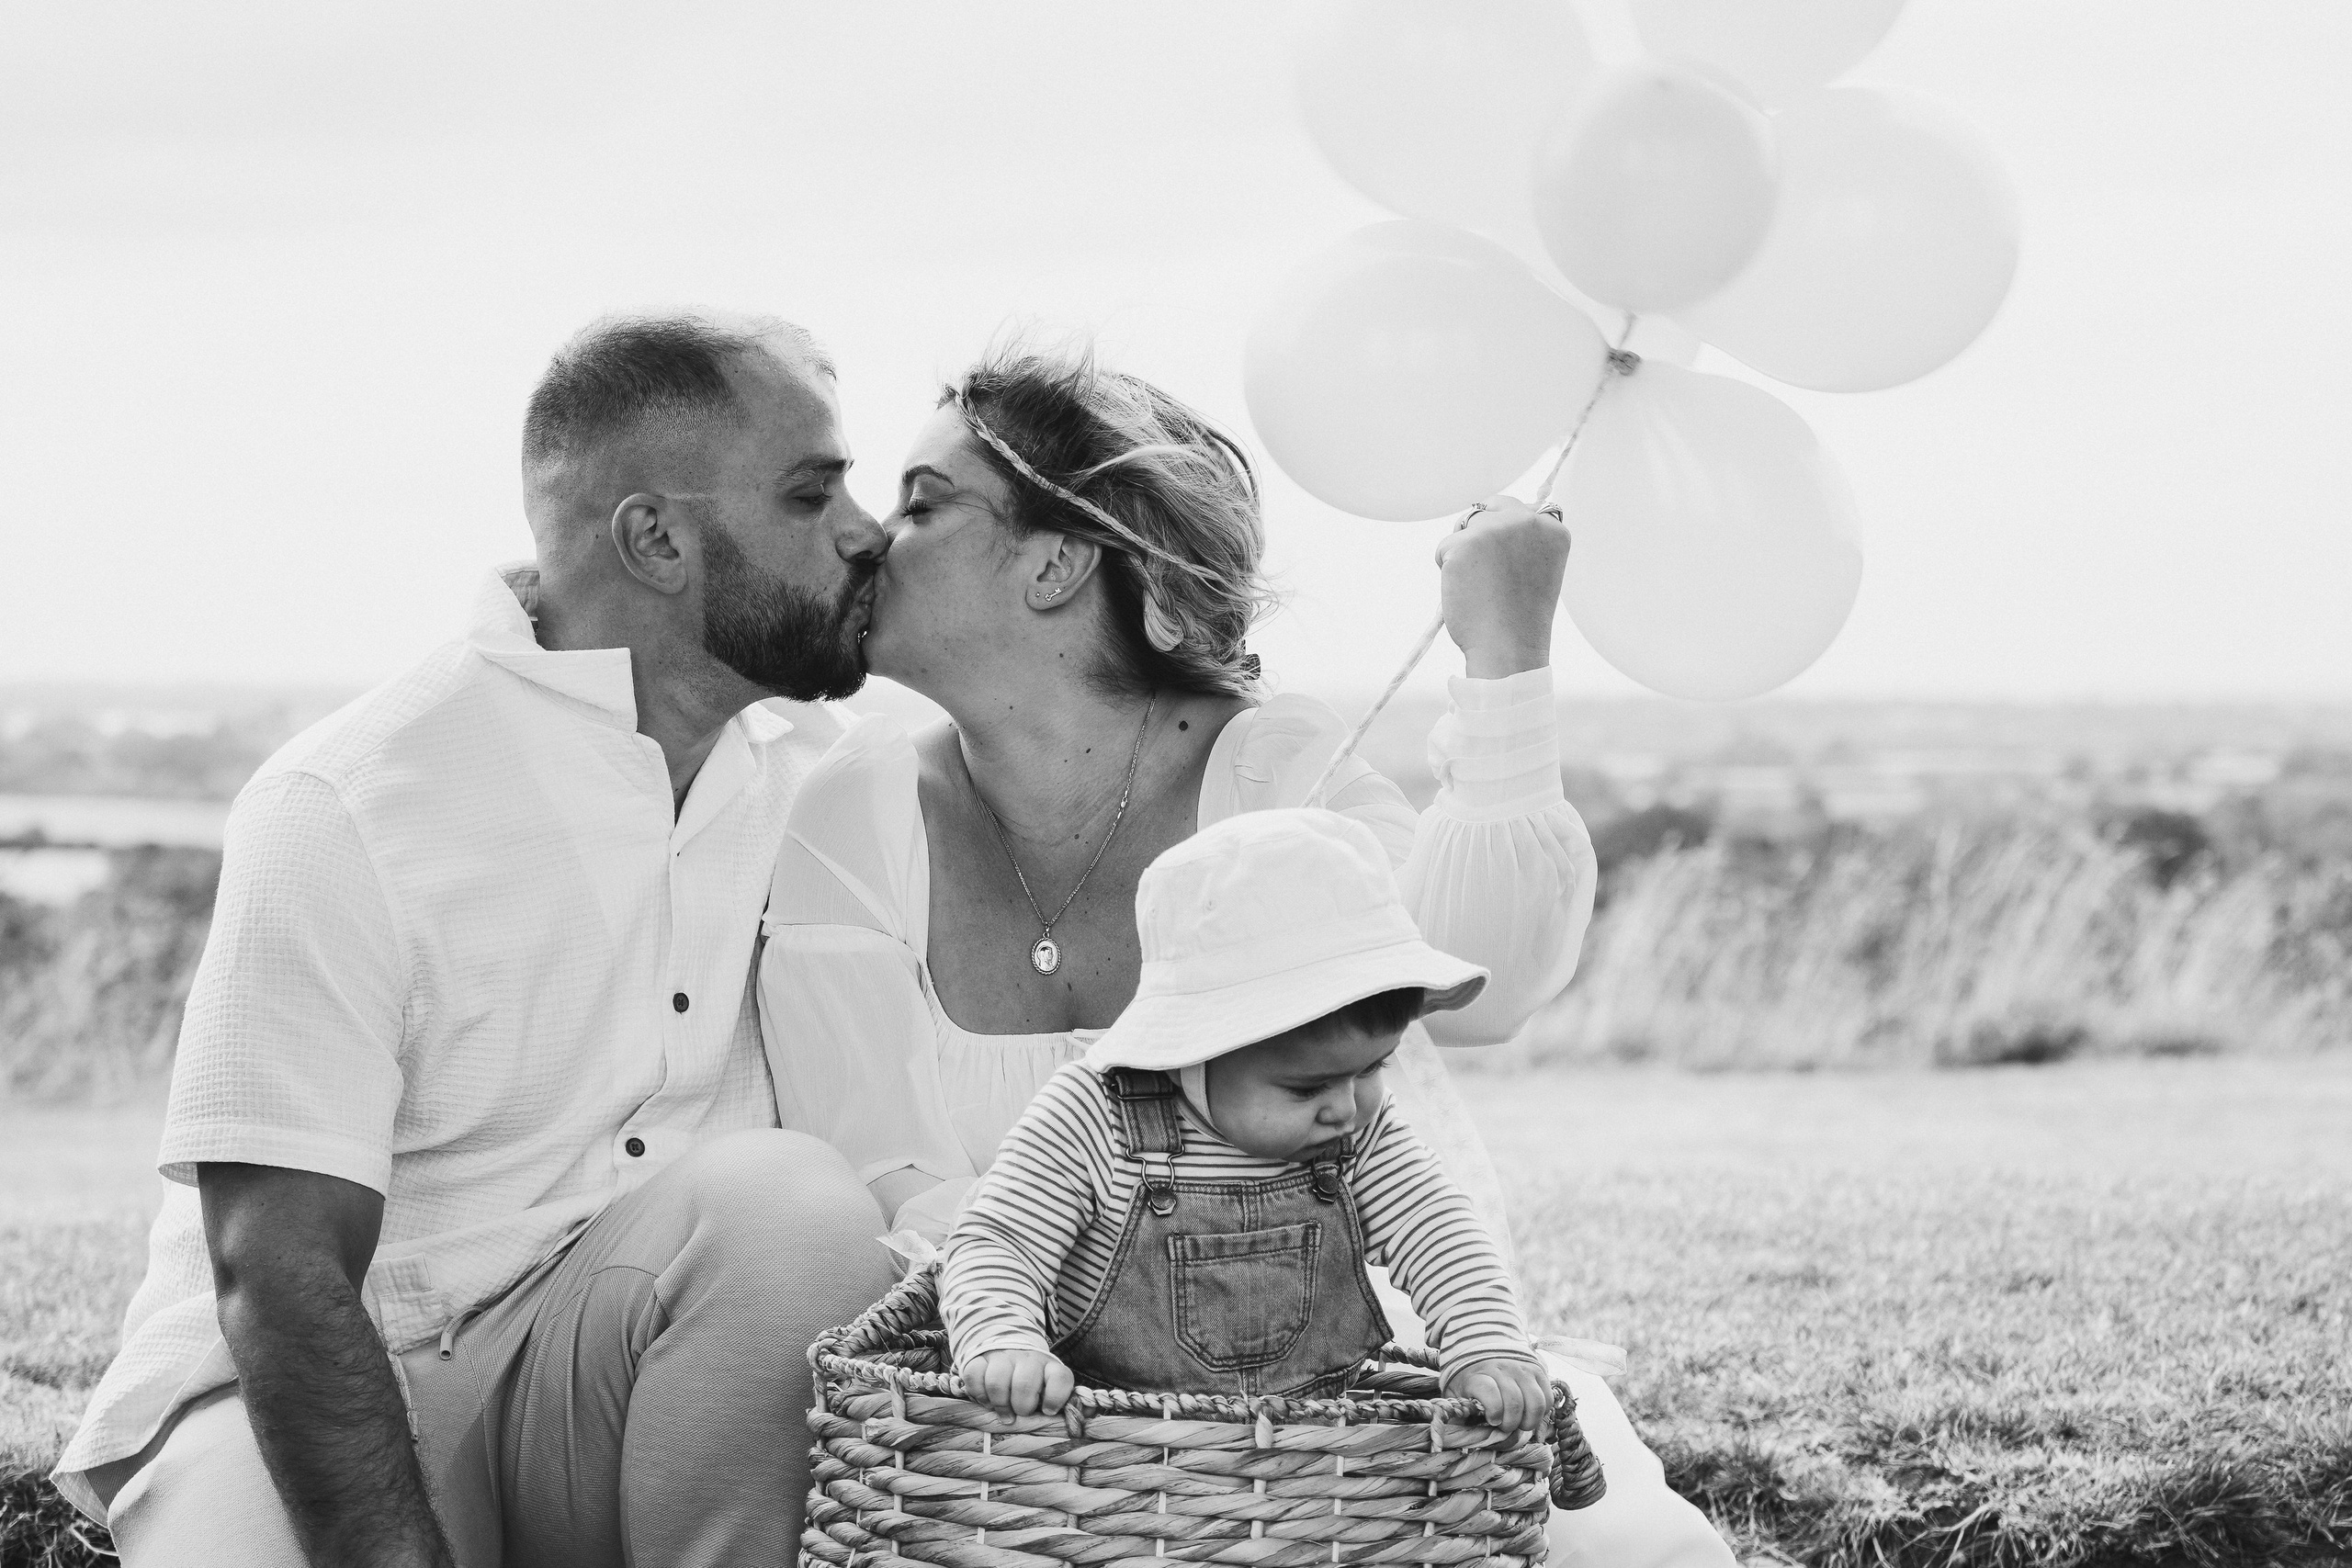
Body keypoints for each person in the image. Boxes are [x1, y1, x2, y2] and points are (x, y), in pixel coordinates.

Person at [761, 343, 1737, 1566]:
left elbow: (1483, 984)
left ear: (1057, 559)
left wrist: (1506, 656)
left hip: (1345, 1445)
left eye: (923, 501)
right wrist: (1087, 1372)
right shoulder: (852, 808)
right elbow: (878, 1172)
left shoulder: (1272, 773)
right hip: (1013, 1442)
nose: (871, 538)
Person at [51, 310, 900, 1568]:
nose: (865, 529)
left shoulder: (824, 786)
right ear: (657, 537)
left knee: (792, 1205)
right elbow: (278, 1265)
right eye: (809, 490)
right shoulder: (349, 801)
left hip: (606, 1382)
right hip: (327, 1377)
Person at [942, 809, 1554, 1434]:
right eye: (1306, 1086)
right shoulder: (1094, 1117)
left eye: (1374, 1067)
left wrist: (1487, 1341)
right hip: (1110, 1442)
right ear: (1195, 1048)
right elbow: (1000, 1239)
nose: (1345, 1105)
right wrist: (1005, 1339)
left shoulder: (1355, 1131)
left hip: (1309, 1441)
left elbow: (1436, 1225)